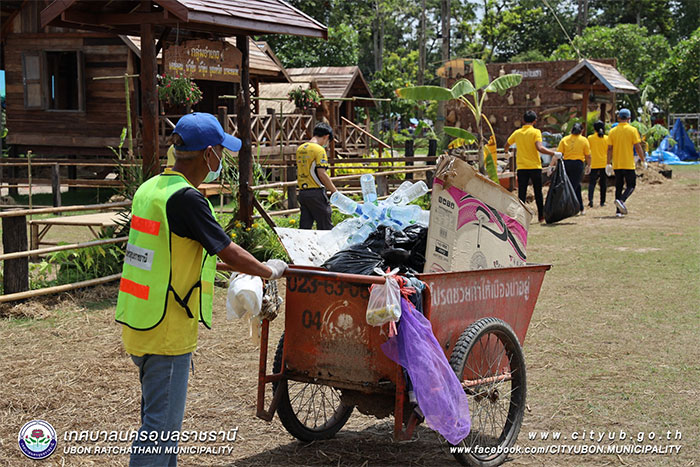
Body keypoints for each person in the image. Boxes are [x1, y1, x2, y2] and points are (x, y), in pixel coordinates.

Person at [115, 112, 287, 466]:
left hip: (139, 320)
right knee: (159, 430)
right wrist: (269, 270)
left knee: (158, 424)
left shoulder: (150, 189)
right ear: (208, 154)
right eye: (221, 151)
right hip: (167, 329)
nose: (221, 160)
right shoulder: (188, 200)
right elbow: (228, 249)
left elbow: (174, 250)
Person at [506, 110, 560, 223]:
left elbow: (507, 144)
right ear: (535, 121)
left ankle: (520, 217)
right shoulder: (536, 132)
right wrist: (553, 153)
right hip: (535, 166)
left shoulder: (517, 133)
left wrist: (507, 153)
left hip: (522, 167)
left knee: (521, 193)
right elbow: (539, 148)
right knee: (538, 192)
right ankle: (541, 216)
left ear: (523, 120)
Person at [296, 122, 338, 230]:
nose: (327, 144)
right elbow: (321, 174)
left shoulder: (300, 149)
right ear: (326, 137)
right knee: (325, 226)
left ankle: (303, 246)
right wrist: (334, 191)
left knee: (305, 227)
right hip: (316, 192)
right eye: (328, 141)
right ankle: (327, 247)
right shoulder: (319, 150)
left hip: (302, 193)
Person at [607, 108, 646, 217]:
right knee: (631, 185)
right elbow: (638, 146)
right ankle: (622, 201)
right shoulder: (632, 130)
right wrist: (643, 160)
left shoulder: (612, 131)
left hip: (617, 163)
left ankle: (618, 211)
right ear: (629, 118)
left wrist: (608, 163)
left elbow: (609, 148)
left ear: (618, 117)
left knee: (618, 186)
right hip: (628, 163)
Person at [557, 122, 590, 214]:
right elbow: (588, 155)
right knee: (572, 186)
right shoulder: (584, 140)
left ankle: (580, 207)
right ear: (582, 131)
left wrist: (552, 165)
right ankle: (567, 206)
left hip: (566, 163)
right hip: (578, 164)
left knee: (576, 185)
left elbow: (558, 154)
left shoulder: (564, 139)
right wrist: (589, 165)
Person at [587, 120, 609, 207]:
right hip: (604, 163)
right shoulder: (607, 138)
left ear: (594, 129)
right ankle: (602, 202)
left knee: (592, 183)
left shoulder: (590, 138)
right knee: (603, 183)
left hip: (593, 163)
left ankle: (591, 200)